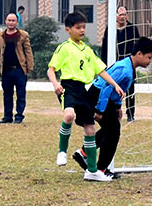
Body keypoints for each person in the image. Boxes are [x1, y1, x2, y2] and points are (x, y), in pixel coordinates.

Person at [47, 11, 123, 180]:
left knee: (90, 129)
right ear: (68, 29)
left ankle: (92, 171)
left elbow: (101, 70)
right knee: (69, 115)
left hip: (82, 90)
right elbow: (51, 69)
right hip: (68, 87)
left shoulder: (87, 50)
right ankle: (61, 152)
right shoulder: (64, 48)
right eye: (78, 27)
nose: (82, 30)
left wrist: (115, 85)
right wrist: (56, 84)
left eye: (84, 27)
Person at [73, 37, 152, 180]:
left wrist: (118, 107)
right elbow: (106, 88)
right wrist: (99, 111)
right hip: (98, 96)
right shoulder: (125, 70)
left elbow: (118, 90)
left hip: (105, 100)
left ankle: (84, 154)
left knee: (110, 130)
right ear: (139, 54)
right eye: (149, 57)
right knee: (113, 132)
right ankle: (99, 169)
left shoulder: (129, 66)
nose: (150, 61)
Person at [0, 12, 33, 124]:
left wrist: (28, 67)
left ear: (17, 22)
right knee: (7, 94)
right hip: (6, 70)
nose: (11, 22)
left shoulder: (23, 35)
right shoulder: (1, 35)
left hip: (19, 70)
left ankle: (19, 116)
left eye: (13, 20)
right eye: (9, 20)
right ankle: (7, 116)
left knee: (21, 94)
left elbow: (28, 52)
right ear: (5, 21)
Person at [106, 5, 142, 123]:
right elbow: (105, 46)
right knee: (113, 89)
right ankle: (113, 113)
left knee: (130, 90)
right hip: (115, 65)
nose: (123, 17)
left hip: (129, 65)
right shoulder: (110, 29)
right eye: (120, 14)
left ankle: (130, 115)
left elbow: (138, 46)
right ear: (116, 16)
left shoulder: (132, 28)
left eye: (125, 14)